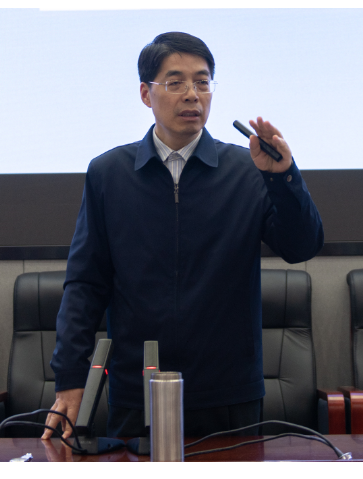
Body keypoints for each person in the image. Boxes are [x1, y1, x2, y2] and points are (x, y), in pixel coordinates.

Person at [41, 31, 324, 439]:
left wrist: (283, 178)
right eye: (176, 82)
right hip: (138, 389)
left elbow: (302, 246)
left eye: (202, 82)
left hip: (229, 392)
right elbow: (85, 283)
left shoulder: (247, 170)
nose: (192, 94)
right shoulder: (109, 174)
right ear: (146, 93)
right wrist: (70, 376)